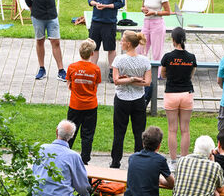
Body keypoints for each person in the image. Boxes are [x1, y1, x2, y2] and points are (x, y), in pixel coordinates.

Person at [32, 119, 92, 196]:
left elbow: (34, 173)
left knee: (42, 194)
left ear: (56, 132)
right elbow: (81, 185)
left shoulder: (42, 149)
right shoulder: (73, 156)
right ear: (72, 136)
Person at [120, 126, 174, 196]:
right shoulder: (160, 160)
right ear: (159, 146)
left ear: (143, 143)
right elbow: (172, 183)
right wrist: (162, 181)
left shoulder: (133, 158)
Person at [110, 30, 151, 168]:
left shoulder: (119, 60)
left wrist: (127, 80)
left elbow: (116, 80)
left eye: (122, 40)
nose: (120, 42)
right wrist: (134, 80)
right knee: (139, 132)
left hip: (122, 99)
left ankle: (115, 162)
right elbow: (147, 83)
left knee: (119, 132)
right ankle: (138, 162)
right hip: (139, 99)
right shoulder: (145, 60)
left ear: (128, 44)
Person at [25, 0, 66, 81]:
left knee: (56, 41)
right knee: (40, 41)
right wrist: (34, 9)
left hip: (52, 15)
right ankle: (42, 68)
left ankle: (61, 70)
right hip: (38, 16)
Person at [161, 27, 197, 172]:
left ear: (173, 39)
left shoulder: (168, 57)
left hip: (171, 94)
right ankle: (184, 161)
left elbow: (163, 74)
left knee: (172, 130)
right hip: (187, 94)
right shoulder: (191, 57)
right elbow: (191, 75)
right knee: (185, 130)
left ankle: (174, 162)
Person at [66, 38, 101, 165]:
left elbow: (69, 84)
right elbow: (96, 85)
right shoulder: (95, 69)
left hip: (75, 105)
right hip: (91, 105)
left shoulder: (72, 67)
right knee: (87, 134)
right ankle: (85, 159)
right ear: (92, 53)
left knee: (70, 132)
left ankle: (66, 155)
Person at [88, 0, 125, 83]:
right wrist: (95, 4)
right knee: (94, 47)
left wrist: (107, 6)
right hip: (96, 21)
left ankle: (111, 71)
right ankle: (92, 71)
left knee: (111, 48)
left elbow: (120, 3)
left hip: (109, 22)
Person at [137, 0, 170, 76]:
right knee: (140, 48)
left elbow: (167, 12)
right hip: (146, 23)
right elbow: (142, 7)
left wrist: (155, 12)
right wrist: (144, 10)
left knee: (157, 52)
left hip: (157, 24)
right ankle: (141, 71)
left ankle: (158, 74)